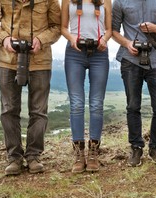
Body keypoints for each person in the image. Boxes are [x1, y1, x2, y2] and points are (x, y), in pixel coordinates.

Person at [0, 0, 61, 175]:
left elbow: (57, 26)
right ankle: (14, 157)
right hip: (7, 60)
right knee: (9, 109)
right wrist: (4, 38)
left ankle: (33, 156)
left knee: (39, 111)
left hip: (40, 61)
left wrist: (41, 39)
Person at [112, 0, 156, 167]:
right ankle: (136, 147)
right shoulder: (120, 2)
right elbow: (114, 31)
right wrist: (127, 43)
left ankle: (155, 147)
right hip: (130, 60)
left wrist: (155, 29)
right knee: (133, 106)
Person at [61, 0, 112, 173]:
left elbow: (109, 29)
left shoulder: (106, 1)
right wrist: (71, 38)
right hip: (74, 53)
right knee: (76, 103)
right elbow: (63, 27)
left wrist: (104, 39)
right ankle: (78, 153)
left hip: (99, 53)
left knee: (97, 103)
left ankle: (93, 153)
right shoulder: (68, 0)